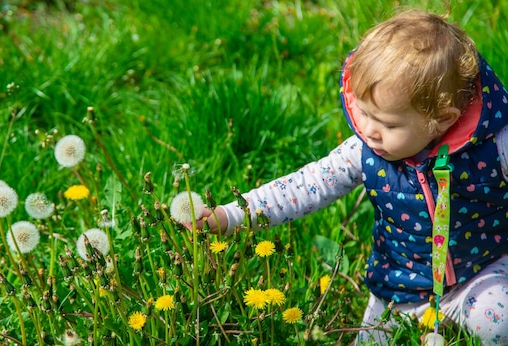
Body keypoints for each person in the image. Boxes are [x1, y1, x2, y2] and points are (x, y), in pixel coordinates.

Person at [192, 10, 508, 345]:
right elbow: (303, 187)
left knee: (499, 324)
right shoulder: (365, 151)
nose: (369, 131)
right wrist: (230, 215)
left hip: (479, 274)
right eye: (364, 113)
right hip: (399, 287)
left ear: (442, 120)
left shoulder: (493, 147)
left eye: (388, 124)